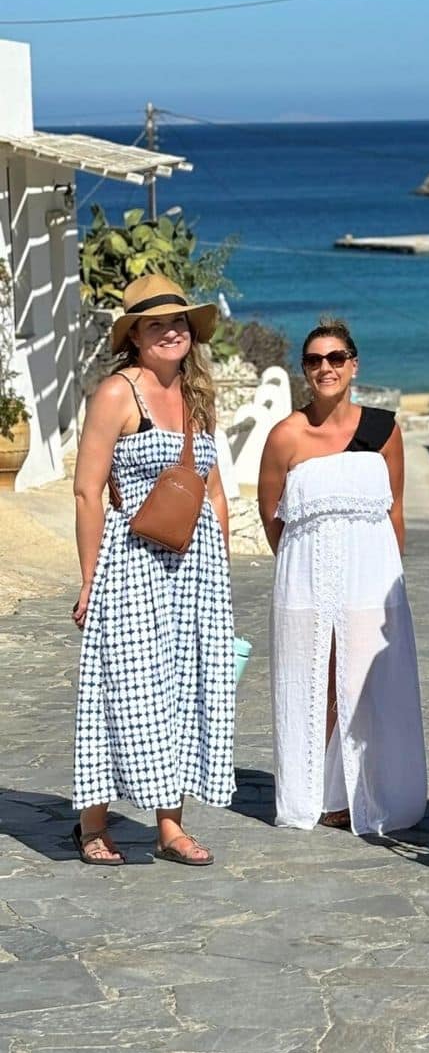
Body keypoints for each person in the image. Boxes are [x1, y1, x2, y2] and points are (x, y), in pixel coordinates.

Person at [71, 273, 235, 866]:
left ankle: (170, 826)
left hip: (196, 566)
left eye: (178, 322)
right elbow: (88, 491)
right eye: (155, 323)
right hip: (133, 561)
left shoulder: (197, 396)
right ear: (134, 336)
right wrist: (90, 579)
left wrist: (219, 557)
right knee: (124, 688)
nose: (171, 331)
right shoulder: (118, 394)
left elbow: (212, 485)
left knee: (186, 688)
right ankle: (93, 823)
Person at [257, 320, 427, 834]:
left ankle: (368, 789)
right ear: (304, 369)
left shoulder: (384, 430)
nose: (325, 368)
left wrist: (387, 577)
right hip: (306, 582)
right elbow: (272, 517)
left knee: (365, 681)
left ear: (353, 364)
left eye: (335, 358)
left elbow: (393, 511)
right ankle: (323, 795)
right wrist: (302, 570)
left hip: (370, 579)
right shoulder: (286, 435)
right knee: (317, 681)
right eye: (313, 360)